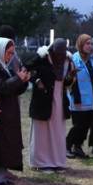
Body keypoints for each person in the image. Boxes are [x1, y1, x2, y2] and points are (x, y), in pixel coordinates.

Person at [0, 37, 30, 185]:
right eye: (8, 53)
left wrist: (23, 81)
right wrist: (18, 78)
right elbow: (1, 87)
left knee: (6, 144)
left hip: (8, 111)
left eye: (12, 53)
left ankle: (1, 176)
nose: (10, 56)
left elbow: (14, 89)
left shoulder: (3, 65)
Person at [27, 39, 74, 171]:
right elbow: (26, 68)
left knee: (57, 131)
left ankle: (57, 161)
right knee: (41, 132)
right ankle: (41, 163)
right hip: (43, 99)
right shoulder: (42, 58)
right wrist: (36, 80)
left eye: (62, 53)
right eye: (57, 53)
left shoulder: (67, 61)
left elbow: (66, 82)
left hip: (59, 98)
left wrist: (70, 78)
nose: (60, 56)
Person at [66, 34, 93, 159]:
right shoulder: (74, 59)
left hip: (91, 98)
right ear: (80, 45)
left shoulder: (91, 61)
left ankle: (78, 147)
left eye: (91, 44)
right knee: (78, 125)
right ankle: (66, 146)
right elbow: (69, 80)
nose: (90, 46)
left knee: (86, 126)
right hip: (78, 98)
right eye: (87, 43)